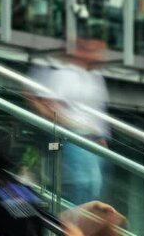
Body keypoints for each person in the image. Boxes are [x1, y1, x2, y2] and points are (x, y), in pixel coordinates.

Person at [28, 38, 110, 205]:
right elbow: (51, 108)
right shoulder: (65, 75)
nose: (100, 55)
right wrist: (80, 128)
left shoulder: (95, 77)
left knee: (94, 189)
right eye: (94, 50)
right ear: (80, 51)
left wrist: (100, 136)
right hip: (74, 141)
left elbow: (97, 112)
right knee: (80, 187)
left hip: (93, 145)